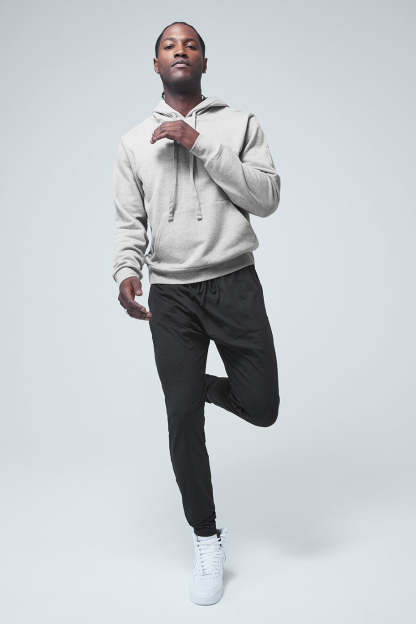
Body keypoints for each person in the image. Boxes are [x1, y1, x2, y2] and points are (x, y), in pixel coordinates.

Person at [112, 20, 281, 606]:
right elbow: (129, 221)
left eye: (190, 44)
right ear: (156, 64)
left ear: (204, 61)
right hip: (173, 296)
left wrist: (198, 141)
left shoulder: (240, 124)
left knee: (263, 408)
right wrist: (126, 270)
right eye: (168, 45)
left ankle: (198, 386)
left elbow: (267, 198)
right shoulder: (133, 142)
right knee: (181, 419)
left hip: (234, 283)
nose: (179, 50)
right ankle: (206, 538)